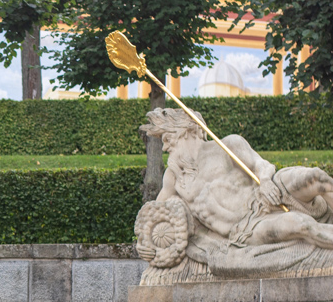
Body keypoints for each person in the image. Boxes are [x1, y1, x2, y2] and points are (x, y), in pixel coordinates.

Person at [138, 107, 333, 258]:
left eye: (167, 138)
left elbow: (261, 164)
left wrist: (265, 180)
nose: (164, 146)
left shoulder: (227, 145)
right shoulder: (174, 177)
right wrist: (144, 244)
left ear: (188, 130)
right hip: (245, 229)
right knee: (302, 225)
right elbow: (154, 214)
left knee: (316, 178)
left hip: (263, 195)